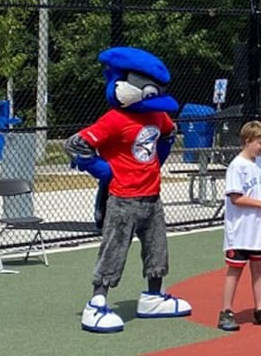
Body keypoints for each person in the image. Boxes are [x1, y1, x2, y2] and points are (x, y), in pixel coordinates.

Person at [67, 47, 191, 333]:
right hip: (123, 198)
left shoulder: (157, 116)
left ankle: (153, 296)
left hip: (152, 197)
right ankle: (97, 302)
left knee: (157, 249)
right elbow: (76, 145)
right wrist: (104, 171)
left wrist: (159, 158)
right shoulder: (114, 119)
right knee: (114, 250)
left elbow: (169, 132)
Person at [218, 121, 261, 332]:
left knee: (259, 268)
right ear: (247, 141)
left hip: (258, 230)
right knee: (235, 269)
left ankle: (260, 308)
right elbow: (236, 197)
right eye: (260, 142)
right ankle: (226, 311)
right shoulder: (237, 166)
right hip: (240, 230)